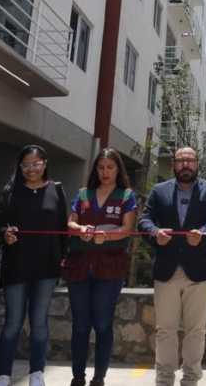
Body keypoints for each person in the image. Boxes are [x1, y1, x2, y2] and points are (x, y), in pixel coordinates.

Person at [138, 146, 206, 386]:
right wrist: (155, 233)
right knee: (165, 330)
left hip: (198, 271)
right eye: (180, 160)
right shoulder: (159, 191)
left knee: (196, 330)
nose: (185, 164)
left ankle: (190, 379)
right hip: (166, 270)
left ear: (198, 163)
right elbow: (144, 219)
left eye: (190, 160)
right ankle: (164, 380)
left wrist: (204, 233)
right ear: (174, 164)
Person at [0, 145, 68, 386]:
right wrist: (6, 234)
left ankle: (37, 373)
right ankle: (3, 375)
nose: (31, 168)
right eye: (26, 164)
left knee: (39, 320)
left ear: (45, 164)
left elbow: (62, 230)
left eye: (36, 163)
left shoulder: (56, 190)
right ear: (19, 167)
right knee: (13, 321)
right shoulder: (10, 191)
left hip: (46, 265)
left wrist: (63, 258)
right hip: (17, 264)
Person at [63, 148, 137, 386]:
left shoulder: (126, 196)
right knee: (81, 325)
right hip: (80, 266)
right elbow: (70, 222)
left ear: (118, 170)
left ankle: (99, 377)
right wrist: (79, 230)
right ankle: (77, 377)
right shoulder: (83, 194)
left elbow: (127, 230)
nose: (105, 172)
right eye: (101, 167)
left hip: (109, 268)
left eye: (110, 167)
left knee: (103, 324)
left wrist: (107, 236)